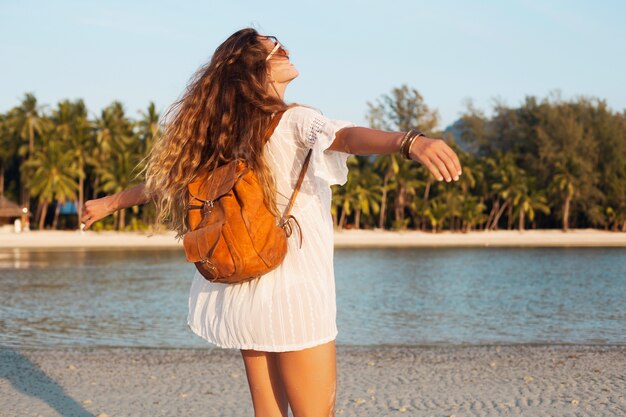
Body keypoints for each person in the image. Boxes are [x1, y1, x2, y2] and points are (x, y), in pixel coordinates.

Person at [81, 28, 462, 417]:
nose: (284, 48)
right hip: (295, 292)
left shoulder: (228, 136)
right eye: (273, 48)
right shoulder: (295, 119)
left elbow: (170, 184)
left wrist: (109, 204)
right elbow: (346, 137)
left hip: (244, 283)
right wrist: (409, 142)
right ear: (252, 68)